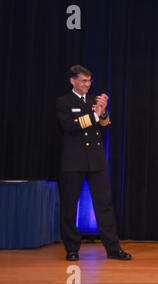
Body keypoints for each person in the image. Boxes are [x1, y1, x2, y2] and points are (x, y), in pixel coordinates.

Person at [56, 65, 131, 261]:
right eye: (83, 81)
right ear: (73, 81)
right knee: (70, 206)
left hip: (96, 160)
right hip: (73, 160)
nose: (87, 85)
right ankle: (72, 248)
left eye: (89, 81)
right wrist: (95, 115)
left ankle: (113, 249)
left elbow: (105, 127)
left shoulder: (93, 100)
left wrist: (103, 113)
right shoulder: (63, 101)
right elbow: (70, 126)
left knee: (104, 205)